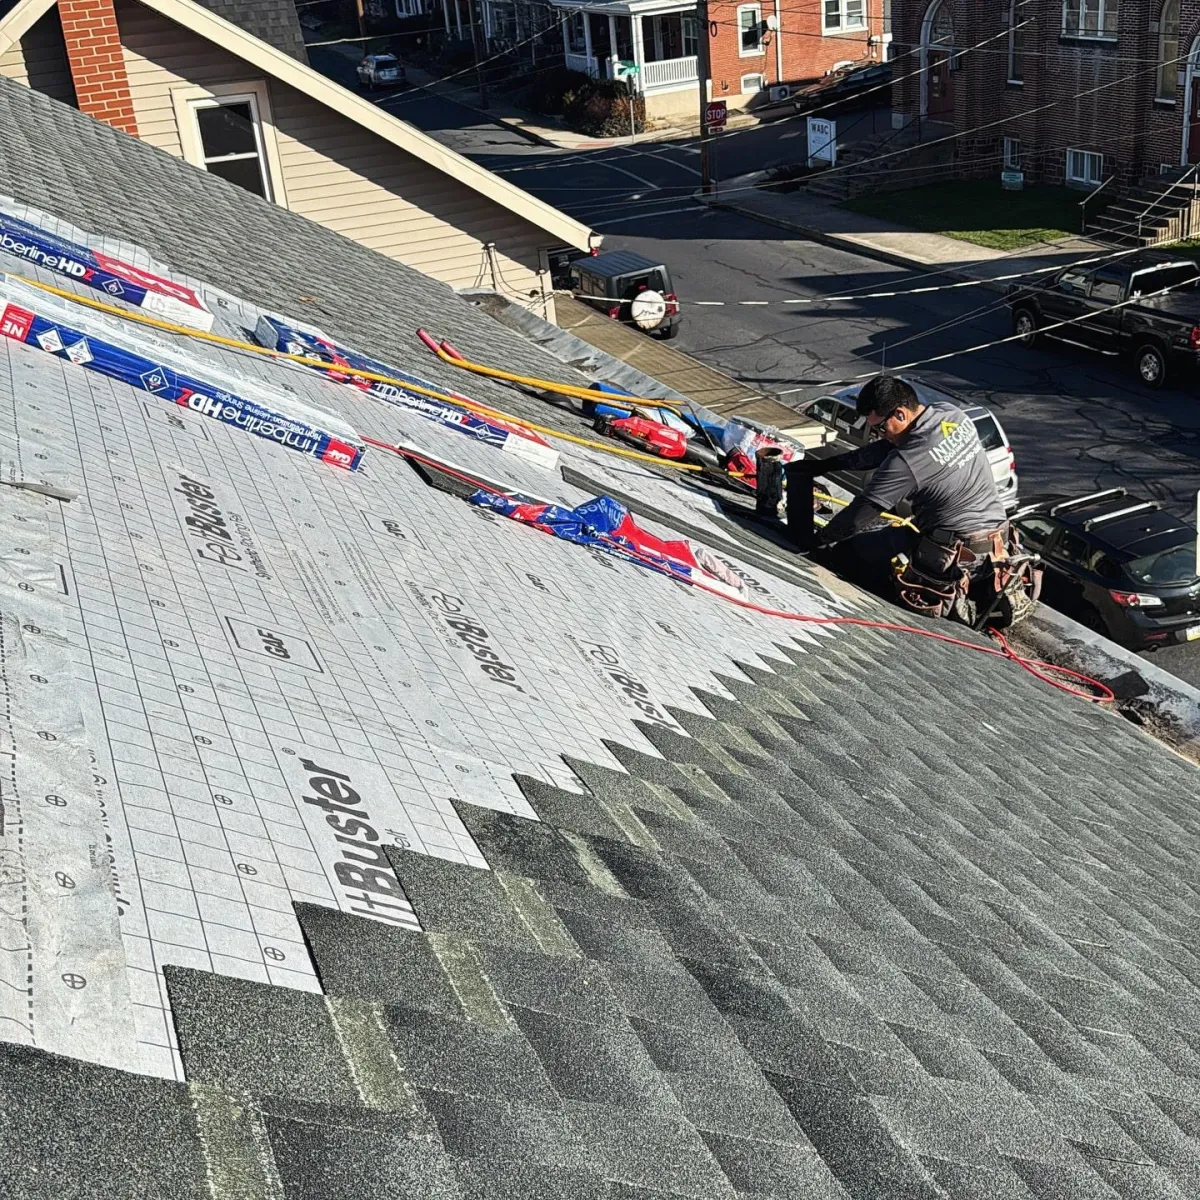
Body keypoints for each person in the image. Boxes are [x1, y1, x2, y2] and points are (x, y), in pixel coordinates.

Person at [788, 375, 1018, 623]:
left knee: (851, 552)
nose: (878, 434)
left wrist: (817, 542)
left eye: (880, 428)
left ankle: (880, 613)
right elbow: (881, 451)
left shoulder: (908, 461)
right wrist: (827, 465)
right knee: (888, 539)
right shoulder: (951, 415)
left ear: (899, 414)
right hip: (998, 541)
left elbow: (861, 513)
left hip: (954, 554)